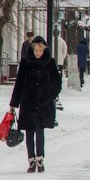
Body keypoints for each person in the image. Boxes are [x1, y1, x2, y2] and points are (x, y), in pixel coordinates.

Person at [10, 36, 62, 173]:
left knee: (40, 131)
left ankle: (40, 158)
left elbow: (57, 82)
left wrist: (50, 95)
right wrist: (14, 102)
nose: (38, 53)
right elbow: (19, 83)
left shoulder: (50, 63)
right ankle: (31, 160)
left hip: (43, 103)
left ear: (44, 50)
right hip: (27, 102)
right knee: (29, 132)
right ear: (32, 50)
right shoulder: (25, 62)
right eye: (36, 50)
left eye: (40, 50)